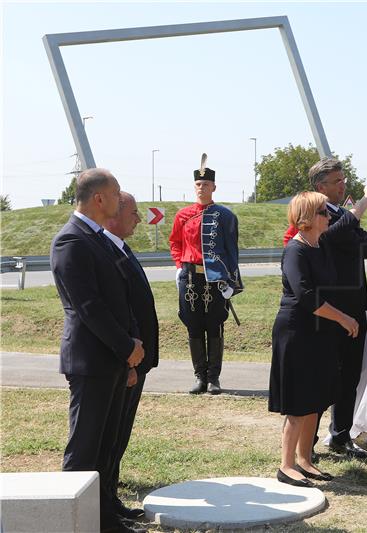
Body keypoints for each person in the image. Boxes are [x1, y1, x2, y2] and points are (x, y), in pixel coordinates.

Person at [50, 168, 146, 533]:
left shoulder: (98, 239)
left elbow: (121, 298)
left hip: (113, 357)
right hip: (92, 360)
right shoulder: (71, 241)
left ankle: (104, 516)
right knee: (85, 447)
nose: (121, 198)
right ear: (99, 198)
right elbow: (88, 307)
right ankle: (71, 520)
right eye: (116, 191)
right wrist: (126, 347)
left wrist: (132, 346)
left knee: (105, 447)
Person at [269, 188, 367, 487]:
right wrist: (343, 318)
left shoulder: (320, 244)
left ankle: (305, 460)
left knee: (316, 399)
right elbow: (306, 295)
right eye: (323, 212)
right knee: (299, 401)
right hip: (297, 330)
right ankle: (287, 464)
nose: (329, 215)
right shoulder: (296, 249)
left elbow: (349, 230)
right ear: (307, 217)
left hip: (319, 331)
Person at [309, 158, 367, 459]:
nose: (344, 185)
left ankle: (341, 435)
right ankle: (308, 442)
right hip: (329, 311)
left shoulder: (342, 213)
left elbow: (360, 247)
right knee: (324, 376)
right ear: (321, 187)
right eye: (338, 181)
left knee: (349, 375)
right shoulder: (314, 214)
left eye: (344, 179)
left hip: (353, 306)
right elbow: (338, 233)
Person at [103, 192, 159, 523]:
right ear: (114, 214)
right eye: (134, 213)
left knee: (120, 434)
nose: (139, 218)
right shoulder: (105, 249)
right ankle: (106, 503)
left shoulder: (120, 246)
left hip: (136, 358)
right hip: (125, 359)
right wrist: (128, 359)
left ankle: (111, 498)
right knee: (109, 437)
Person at [169, 154, 243, 395]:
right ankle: (199, 376)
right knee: (193, 325)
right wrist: (179, 265)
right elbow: (175, 243)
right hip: (189, 276)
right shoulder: (182, 215)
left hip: (215, 277)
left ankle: (214, 378)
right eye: (198, 185)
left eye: (206, 185)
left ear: (214, 187)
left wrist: (231, 279)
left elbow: (232, 250)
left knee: (215, 325)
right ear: (194, 187)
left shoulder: (225, 216)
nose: (202, 188)